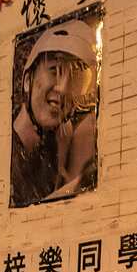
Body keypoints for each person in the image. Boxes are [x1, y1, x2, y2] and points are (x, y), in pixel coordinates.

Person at [10, 18, 99, 207]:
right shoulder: (9, 157)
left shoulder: (56, 142)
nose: (63, 88)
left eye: (74, 77)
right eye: (54, 71)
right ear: (28, 80)